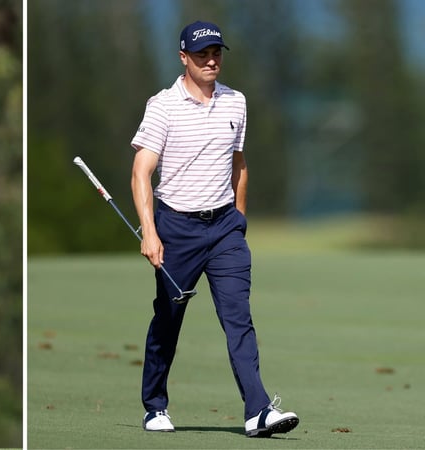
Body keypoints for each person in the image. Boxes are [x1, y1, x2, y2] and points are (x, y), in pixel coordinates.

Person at [129, 20, 299, 438]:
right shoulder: (163, 105)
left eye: (217, 53)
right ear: (184, 58)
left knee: (238, 318)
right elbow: (141, 173)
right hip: (177, 228)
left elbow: (238, 163)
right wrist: (150, 233)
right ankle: (155, 406)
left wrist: (238, 219)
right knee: (168, 318)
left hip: (224, 229)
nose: (211, 61)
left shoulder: (235, 102)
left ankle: (257, 411)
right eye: (202, 54)